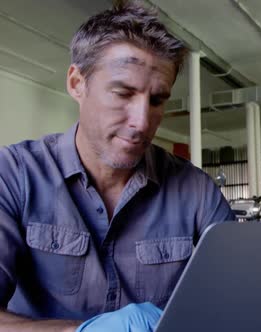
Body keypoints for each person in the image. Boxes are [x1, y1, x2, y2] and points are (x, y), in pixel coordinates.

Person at [0, 2, 235, 331]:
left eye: (156, 100)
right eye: (123, 93)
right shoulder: (12, 176)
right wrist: (77, 331)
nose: (142, 122)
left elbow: (243, 298)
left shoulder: (195, 190)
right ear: (76, 83)